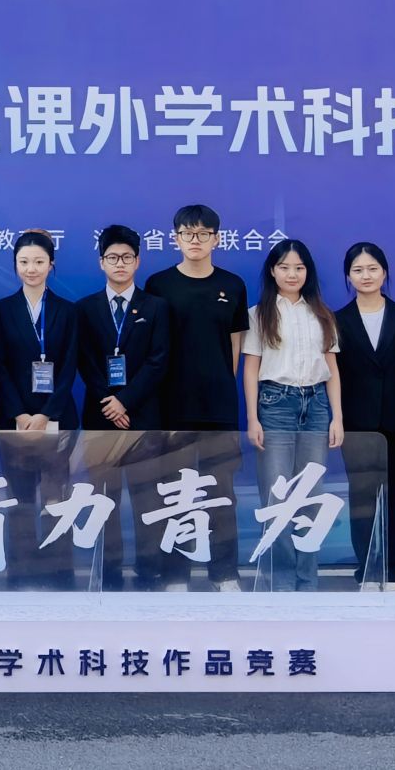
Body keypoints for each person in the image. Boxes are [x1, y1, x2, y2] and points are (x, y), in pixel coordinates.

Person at [144, 204, 250, 592]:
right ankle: (175, 574)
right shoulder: (159, 284)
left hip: (219, 407)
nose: (195, 240)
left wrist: (219, 384)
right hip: (173, 406)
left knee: (221, 493)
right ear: (175, 238)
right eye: (188, 233)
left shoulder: (233, 285)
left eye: (203, 233)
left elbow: (235, 346)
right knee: (175, 492)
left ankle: (225, 573)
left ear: (216, 239)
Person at [241, 238, 344, 592]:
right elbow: (250, 369)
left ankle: (307, 578)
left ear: (308, 272)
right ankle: (281, 577)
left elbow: (332, 369)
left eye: (299, 268)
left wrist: (337, 417)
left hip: (315, 405)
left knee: (310, 496)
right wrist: (253, 418)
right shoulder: (259, 314)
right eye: (284, 267)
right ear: (273, 271)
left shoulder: (323, 314)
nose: (292, 274)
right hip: (275, 405)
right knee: (277, 497)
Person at [72, 224, 172, 590]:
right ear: (101, 262)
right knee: (104, 499)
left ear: (137, 261)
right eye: (112, 257)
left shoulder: (156, 307)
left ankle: (150, 572)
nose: (120, 263)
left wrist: (125, 400)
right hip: (100, 417)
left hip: (143, 416)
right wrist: (110, 403)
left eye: (127, 257)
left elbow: (159, 361)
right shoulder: (85, 308)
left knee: (147, 498)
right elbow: (84, 361)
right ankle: (109, 573)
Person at [333, 242, 395, 592]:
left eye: (372, 269)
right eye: (358, 270)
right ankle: (367, 572)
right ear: (348, 276)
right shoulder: (336, 320)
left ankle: (394, 572)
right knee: (362, 497)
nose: (365, 276)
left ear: (384, 273)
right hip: (357, 424)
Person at [0, 231, 79, 432]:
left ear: (51, 264)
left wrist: (46, 414)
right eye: (24, 262)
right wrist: (19, 414)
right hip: (13, 416)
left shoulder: (68, 310)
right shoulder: (3, 309)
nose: (31, 269)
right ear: (15, 264)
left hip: (58, 415)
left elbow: (69, 367)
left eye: (39, 262)